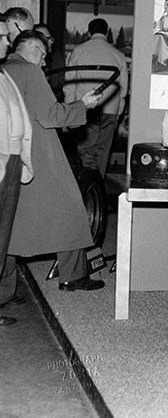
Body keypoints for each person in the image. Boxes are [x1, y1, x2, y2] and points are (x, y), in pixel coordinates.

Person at [4, 30, 104, 292]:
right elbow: (51, 116)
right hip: (39, 153)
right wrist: (83, 105)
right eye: (44, 54)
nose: (45, 62)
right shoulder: (30, 72)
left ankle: (6, 290)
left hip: (11, 155)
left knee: (10, 220)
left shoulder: (5, 70)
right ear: (32, 47)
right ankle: (73, 275)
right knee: (71, 208)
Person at [63, 18, 129, 176]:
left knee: (87, 149)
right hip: (110, 109)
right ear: (106, 32)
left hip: (84, 108)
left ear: (89, 31)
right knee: (103, 150)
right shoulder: (118, 55)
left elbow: (70, 83)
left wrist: (70, 109)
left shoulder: (78, 51)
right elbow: (124, 88)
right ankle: (97, 183)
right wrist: (118, 111)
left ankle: (88, 183)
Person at [0, 15, 33, 325]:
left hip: (9, 162)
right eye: (0, 37)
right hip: (1, 161)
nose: (6, 42)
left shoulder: (3, 72)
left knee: (2, 237)